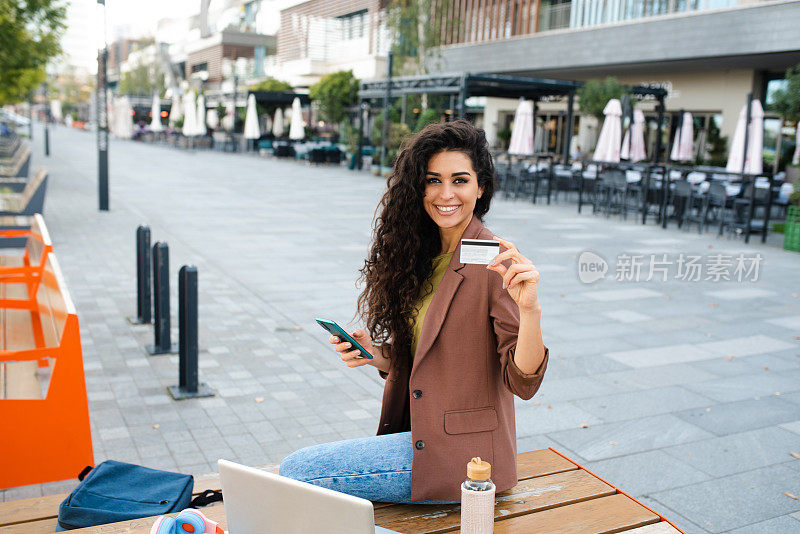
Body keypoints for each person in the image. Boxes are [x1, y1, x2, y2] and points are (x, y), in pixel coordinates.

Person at [279, 120, 548, 503]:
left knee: (296, 472)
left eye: (459, 180)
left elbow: (523, 382)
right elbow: (428, 354)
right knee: (298, 476)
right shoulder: (422, 253)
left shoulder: (495, 260)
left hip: (467, 459)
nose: (445, 194)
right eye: (432, 180)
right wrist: (374, 353)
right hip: (419, 435)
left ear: (481, 187)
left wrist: (531, 309)